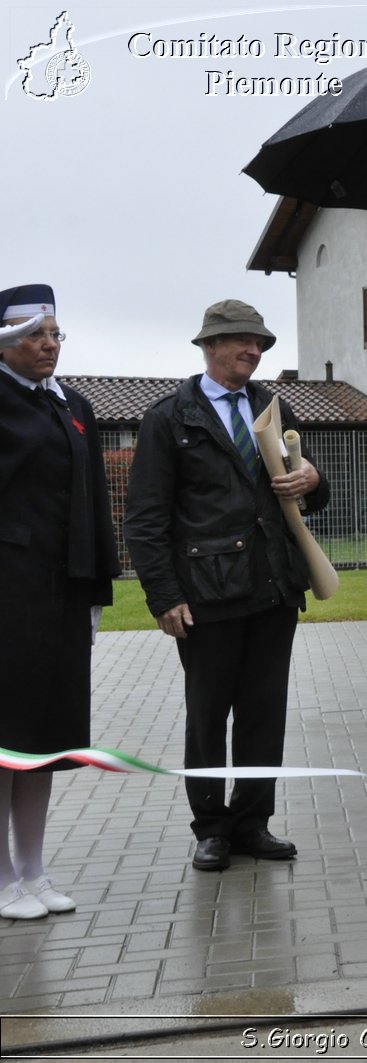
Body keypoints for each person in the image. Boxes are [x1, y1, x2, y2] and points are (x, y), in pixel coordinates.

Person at [124, 301, 328, 873]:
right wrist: (163, 596)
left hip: (274, 585)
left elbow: (301, 488)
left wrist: (315, 479)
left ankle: (253, 822)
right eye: (241, 340)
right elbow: (144, 517)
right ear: (209, 345)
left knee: (265, 712)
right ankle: (211, 827)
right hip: (207, 591)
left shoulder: (271, 406)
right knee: (208, 715)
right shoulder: (170, 418)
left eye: (259, 342)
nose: (254, 350)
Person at [0, 284, 119, 919]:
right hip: (8, 594)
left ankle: (34, 871)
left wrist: (97, 586)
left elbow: (93, 499)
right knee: (5, 736)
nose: (49, 347)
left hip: (62, 594)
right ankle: (1, 880)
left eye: (55, 335)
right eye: (35, 336)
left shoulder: (75, 404)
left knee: (45, 739)